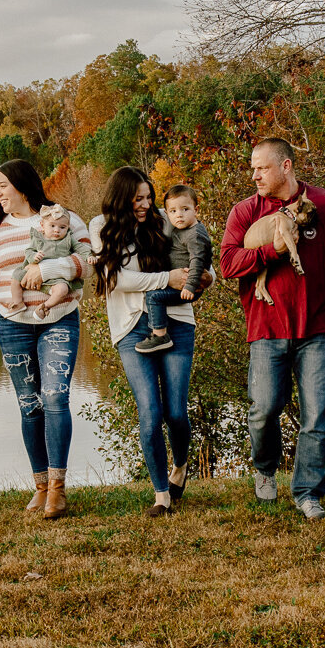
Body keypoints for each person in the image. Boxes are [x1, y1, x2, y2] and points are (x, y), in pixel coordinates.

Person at [218, 137, 325, 520]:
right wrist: (271, 251)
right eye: (252, 167)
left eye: (262, 167)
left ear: (286, 166)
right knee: (263, 409)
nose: (254, 175)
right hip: (266, 327)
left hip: (316, 327)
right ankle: (265, 467)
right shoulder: (245, 212)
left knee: (318, 415)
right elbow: (227, 264)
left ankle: (308, 494)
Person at [91, 170, 214, 516]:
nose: (146, 205)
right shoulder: (99, 226)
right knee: (150, 412)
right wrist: (166, 278)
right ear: (121, 197)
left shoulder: (165, 219)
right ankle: (161, 495)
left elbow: (198, 251)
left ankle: (180, 466)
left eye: (149, 197)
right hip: (131, 328)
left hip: (175, 320)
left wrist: (208, 277)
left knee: (176, 412)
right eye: (138, 199)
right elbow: (114, 277)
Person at [0, 159, 92, 518]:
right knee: (30, 405)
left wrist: (46, 269)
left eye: (1, 186)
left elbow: (89, 263)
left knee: (55, 396)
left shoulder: (64, 218)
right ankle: (40, 486)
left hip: (58, 320)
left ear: (21, 186)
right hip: (13, 326)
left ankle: (58, 488)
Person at [134, 184, 212, 355]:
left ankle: (160, 335)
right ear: (167, 213)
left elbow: (198, 261)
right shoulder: (181, 229)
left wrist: (190, 286)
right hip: (183, 283)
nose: (179, 215)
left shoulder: (195, 234)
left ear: (196, 210)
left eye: (185, 209)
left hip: (189, 287)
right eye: (173, 212)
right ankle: (158, 331)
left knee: (154, 297)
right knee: (155, 293)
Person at [9, 205, 84, 318]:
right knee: (15, 277)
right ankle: (17, 302)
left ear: (68, 227)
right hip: (30, 274)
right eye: (52, 226)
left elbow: (81, 251)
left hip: (56, 279)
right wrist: (34, 257)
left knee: (62, 289)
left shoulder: (68, 240)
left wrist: (88, 255)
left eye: (62, 227)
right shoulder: (38, 238)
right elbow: (29, 251)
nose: (56, 230)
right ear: (42, 226)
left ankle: (45, 307)